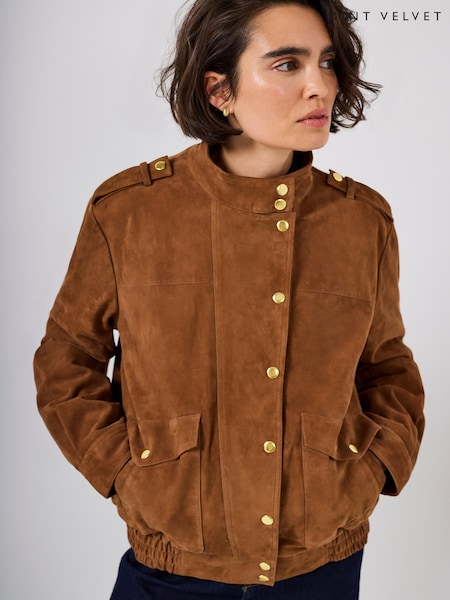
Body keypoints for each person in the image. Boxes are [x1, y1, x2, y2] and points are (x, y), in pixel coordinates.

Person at [34, 0, 425, 598]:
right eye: (287, 64)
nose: (320, 86)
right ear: (219, 91)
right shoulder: (129, 212)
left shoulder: (362, 220)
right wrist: (124, 473)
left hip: (324, 568)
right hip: (171, 570)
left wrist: (375, 468)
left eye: (326, 62)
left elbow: (387, 365)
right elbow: (67, 361)